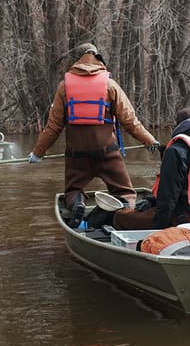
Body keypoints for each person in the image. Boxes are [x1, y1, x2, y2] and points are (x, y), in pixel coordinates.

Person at [27, 43, 159, 227]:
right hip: (107, 152)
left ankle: (78, 204)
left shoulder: (64, 87)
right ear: (97, 57)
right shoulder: (110, 85)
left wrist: (38, 153)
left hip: (76, 155)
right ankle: (124, 216)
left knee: (73, 191)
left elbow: (53, 127)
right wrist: (150, 142)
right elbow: (130, 121)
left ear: (77, 60)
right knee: (124, 193)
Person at [113, 107, 190, 230]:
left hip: (184, 218)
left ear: (178, 125)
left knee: (120, 217)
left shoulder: (175, 150)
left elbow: (168, 196)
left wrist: (159, 228)